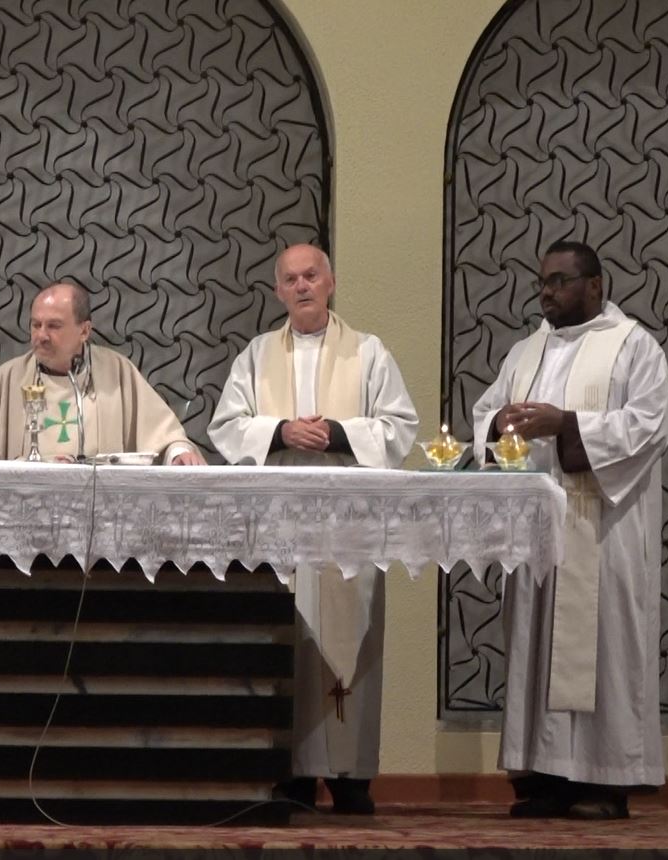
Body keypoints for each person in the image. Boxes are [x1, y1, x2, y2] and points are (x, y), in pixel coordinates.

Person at [208, 244, 418, 814]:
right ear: (278, 290)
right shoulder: (256, 355)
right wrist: (280, 431)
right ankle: (291, 775)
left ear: (331, 283)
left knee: (351, 639)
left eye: (311, 276)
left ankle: (349, 777)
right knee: (288, 643)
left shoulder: (369, 352)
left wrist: (338, 434)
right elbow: (226, 426)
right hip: (280, 526)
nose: (302, 286)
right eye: (291, 279)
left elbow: (400, 426)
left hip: (347, 526)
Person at [471, 239, 668, 820]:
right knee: (537, 651)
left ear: (595, 286)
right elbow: (485, 414)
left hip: (603, 530)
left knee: (605, 651)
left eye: (560, 281)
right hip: (538, 533)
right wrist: (500, 422)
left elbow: (650, 425)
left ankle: (604, 784)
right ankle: (546, 778)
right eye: (543, 282)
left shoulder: (634, 347)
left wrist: (566, 425)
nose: (547, 292)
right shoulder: (527, 350)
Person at [0, 282, 204, 464]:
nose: (41, 336)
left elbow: (164, 434)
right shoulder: (8, 379)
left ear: (84, 331)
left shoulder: (117, 373)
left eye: (54, 326)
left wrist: (177, 452)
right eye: (36, 325)